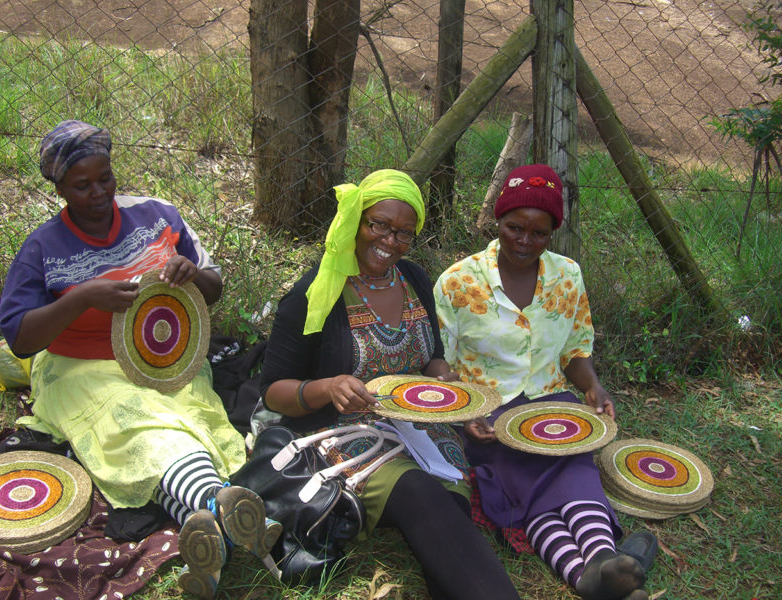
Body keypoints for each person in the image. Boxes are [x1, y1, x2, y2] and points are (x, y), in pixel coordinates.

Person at [0, 120, 276, 600]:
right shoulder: (43, 248)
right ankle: (220, 504)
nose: (98, 192)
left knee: (178, 423)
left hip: (167, 360)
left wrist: (193, 275)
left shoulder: (156, 216)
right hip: (80, 369)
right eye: (81, 185)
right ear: (59, 189)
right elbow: (20, 338)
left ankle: (207, 526)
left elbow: (213, 287)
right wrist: (82, 297)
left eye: (105, 177)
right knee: (137, 422)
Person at [258, 169, 521, 600]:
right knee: (419, 492)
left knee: (450, 504)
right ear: (356, 221)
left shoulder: (414, 278)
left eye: (403, 232)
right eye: (378, 224)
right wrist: (328, 387)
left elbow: (433, 356)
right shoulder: (315, 293)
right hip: (346, 432)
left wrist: (444, 380)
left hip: (422, 425)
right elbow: (273, 391)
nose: (389, 241)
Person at [433, 164, 656, 600]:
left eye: (539, 233)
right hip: (487, 412)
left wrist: (591, 386)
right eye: (514, 227)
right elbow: (440, 362)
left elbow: (575, 348)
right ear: (497, 220)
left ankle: (597, 565)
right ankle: (594, 572)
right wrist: (464, 416)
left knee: (571, 458)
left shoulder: (566, 276)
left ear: (553, 232)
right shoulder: (458, 282)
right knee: (521, 470)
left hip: (551, 406)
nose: (524, 240)